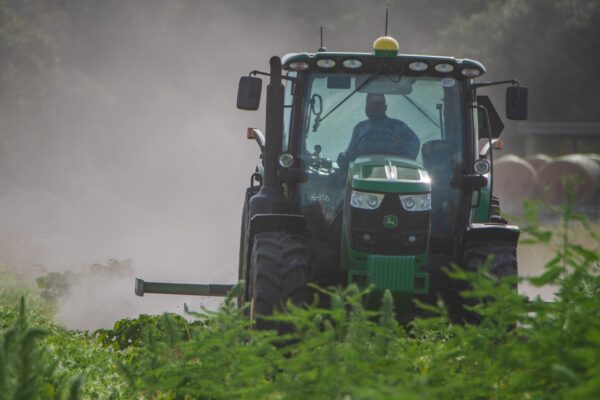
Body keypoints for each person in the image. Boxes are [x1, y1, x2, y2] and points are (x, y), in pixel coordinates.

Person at [342, 93, 420, 162]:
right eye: (370, 105)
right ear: (366, 109)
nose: (374, 107)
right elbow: (351, 154)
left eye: (377, 104)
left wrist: (402, 159)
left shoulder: (399, 127)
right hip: (363, 172)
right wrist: (344, 159)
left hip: (395, 172)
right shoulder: (359, 128)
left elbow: (413, 147)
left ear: (385, 107)